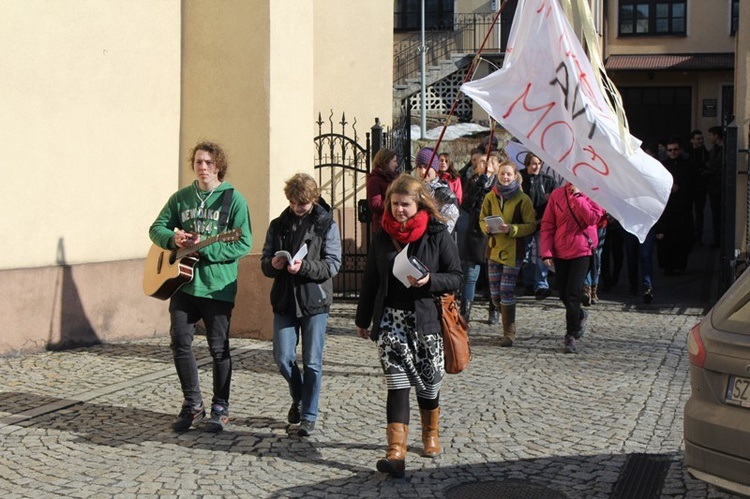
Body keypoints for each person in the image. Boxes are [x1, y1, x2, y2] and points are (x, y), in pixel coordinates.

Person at [355, 174, 462, 478]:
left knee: (429, 386)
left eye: (405, 204)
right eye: (394, 203)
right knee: (397, 385)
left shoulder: (436, 233)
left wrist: (431, 281)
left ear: (418, 204)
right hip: (392, 322)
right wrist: (363, 319)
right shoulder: (381, 236)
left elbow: (457, 275)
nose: (399, 210)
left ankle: (430, 433)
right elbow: (371, 280)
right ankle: (396, 453)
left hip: (426, 321)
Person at [149, 141, 252, 432]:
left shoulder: (234, 200)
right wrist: (174, 239)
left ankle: (220, 406)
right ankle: (192, 405)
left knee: (218, 349)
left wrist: (207, 250)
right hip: (182, 286)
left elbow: (243, 242)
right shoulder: (181, 198)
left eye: (208, 162)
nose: (203, 167)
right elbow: (156, 228)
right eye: (198, 162)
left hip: (218, 287)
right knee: (180, 343)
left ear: (218, 165)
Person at [261, 173, 342, 437]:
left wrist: (304, 267)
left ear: (313, 199)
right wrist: (272, 264)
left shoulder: (326, 224)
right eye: (294, 202)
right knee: (282, 357)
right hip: (284, 299)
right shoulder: (278, 224)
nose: (298, 207)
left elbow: (333, 264)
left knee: (312, 362)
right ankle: (299, 396)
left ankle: (308, 415)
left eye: (303, 203)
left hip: (314, 300)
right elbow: (264, 260)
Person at [540, 182, 603, 354]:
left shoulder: (592, 192)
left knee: (574, 294)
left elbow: (592, 218)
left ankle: (571, 334)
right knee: (563, 293)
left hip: (582, 251)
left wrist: (578, 196)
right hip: (561, 251)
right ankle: (579, 316)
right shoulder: (557, 194)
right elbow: (547, 224)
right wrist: (546, 251)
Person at [479, 158, 536, 347]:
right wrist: (486, 228)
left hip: (513, 250)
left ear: (515, 176)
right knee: (495, 294)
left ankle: (508, 333)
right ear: (497, 175)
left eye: (508, 174)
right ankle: (504, 313)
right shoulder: (490, 196)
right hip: (494, 249)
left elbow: (531, 226)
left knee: (506, 290)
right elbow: (481, 219)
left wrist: (511, 229)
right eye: (502, 174)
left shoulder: (523, 199)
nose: (505, 177)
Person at [459, 153, 497, 323]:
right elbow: (466, 204)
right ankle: (465, 311)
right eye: (483, 162)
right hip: (475, 232)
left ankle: (494, 308)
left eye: (489, 163)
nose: (486, 165)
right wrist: (478, 188)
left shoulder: (499, 182)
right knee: (470, 275)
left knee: (492, 276)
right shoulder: (474, 181)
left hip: (493, 233)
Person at [520, 152, 557, 300]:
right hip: (526, 223)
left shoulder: (548, 181)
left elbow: (555, 202)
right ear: (527, 164)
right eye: (533, 163)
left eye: (539, 164)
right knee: (526, 255)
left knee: (543, 254)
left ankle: (541, 284)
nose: (536, 167)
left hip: (543, 222)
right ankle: (528, 283)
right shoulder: (520, 179)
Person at [655, 137, 694, 276]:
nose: (673, 152)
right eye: (670, 150)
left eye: (675, 149)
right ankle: (668, 266)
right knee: (667, 239)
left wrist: (681, 187)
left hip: (683, 206)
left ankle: (679, 263)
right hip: (668, 208)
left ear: (680, 150)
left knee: (684, 237)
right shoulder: (663, 165)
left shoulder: (688, 164)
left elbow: (692, 182)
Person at [414, 147, 460, 234]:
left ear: (435, 169)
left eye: (426, 167)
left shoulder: (446, 195)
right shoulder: (414, 191)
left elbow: (445, 229)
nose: (423, 171)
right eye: (419, 167)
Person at [367, 148, 399, 234]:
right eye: (394, 161)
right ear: (386, 161)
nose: (396, 164)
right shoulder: (375, 180)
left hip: (396, 225)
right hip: (382, 226)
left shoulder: (394, 177)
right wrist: (395, 202)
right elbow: (375, 205)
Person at [688, 130, 709, 244]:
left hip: (701, 187)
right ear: (692, 140)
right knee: (688, 211)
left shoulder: (705, 152)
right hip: (691, 187)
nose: (700, 141)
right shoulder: (688, 153)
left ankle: (698, 236)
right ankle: (690, 234)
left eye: (701, 139)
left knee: (699, 212)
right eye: (698, 139)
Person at [706, 126, 724, 247]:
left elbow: (717, 167)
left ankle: (720, 240)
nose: (709, 137)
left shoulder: (723, 150)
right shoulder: (714, 149)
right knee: (715, 215)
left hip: (720, 186)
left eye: (710, 135)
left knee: (720, 215)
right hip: (713, 187)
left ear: (716, 135)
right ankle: (717, 239)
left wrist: (709, 170)